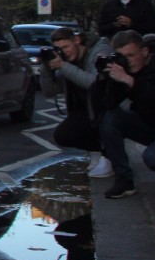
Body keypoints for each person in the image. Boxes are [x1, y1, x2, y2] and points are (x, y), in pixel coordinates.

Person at [97, 30, 155, 199]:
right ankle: (124, 180)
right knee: (111, 117)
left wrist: (130, 81)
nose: (127, 61)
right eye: (121, 56)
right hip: (152, 126)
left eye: (131, 55)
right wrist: (108, 79)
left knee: (154, 158)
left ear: (145, 51)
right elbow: (109, 104)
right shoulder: (127, 70)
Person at [37, 27, 111, 175]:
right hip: (83, 110)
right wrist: (46, 67)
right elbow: (49, 92)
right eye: (59, 49)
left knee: (103, 124)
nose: (64, 52)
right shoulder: (65, 62)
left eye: (66, 46)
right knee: (63, 135)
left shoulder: (98, 51)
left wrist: (64, 66)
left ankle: (109, 156)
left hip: (107, 106)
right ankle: (97, 150)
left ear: (76, 40)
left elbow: (94, 83)